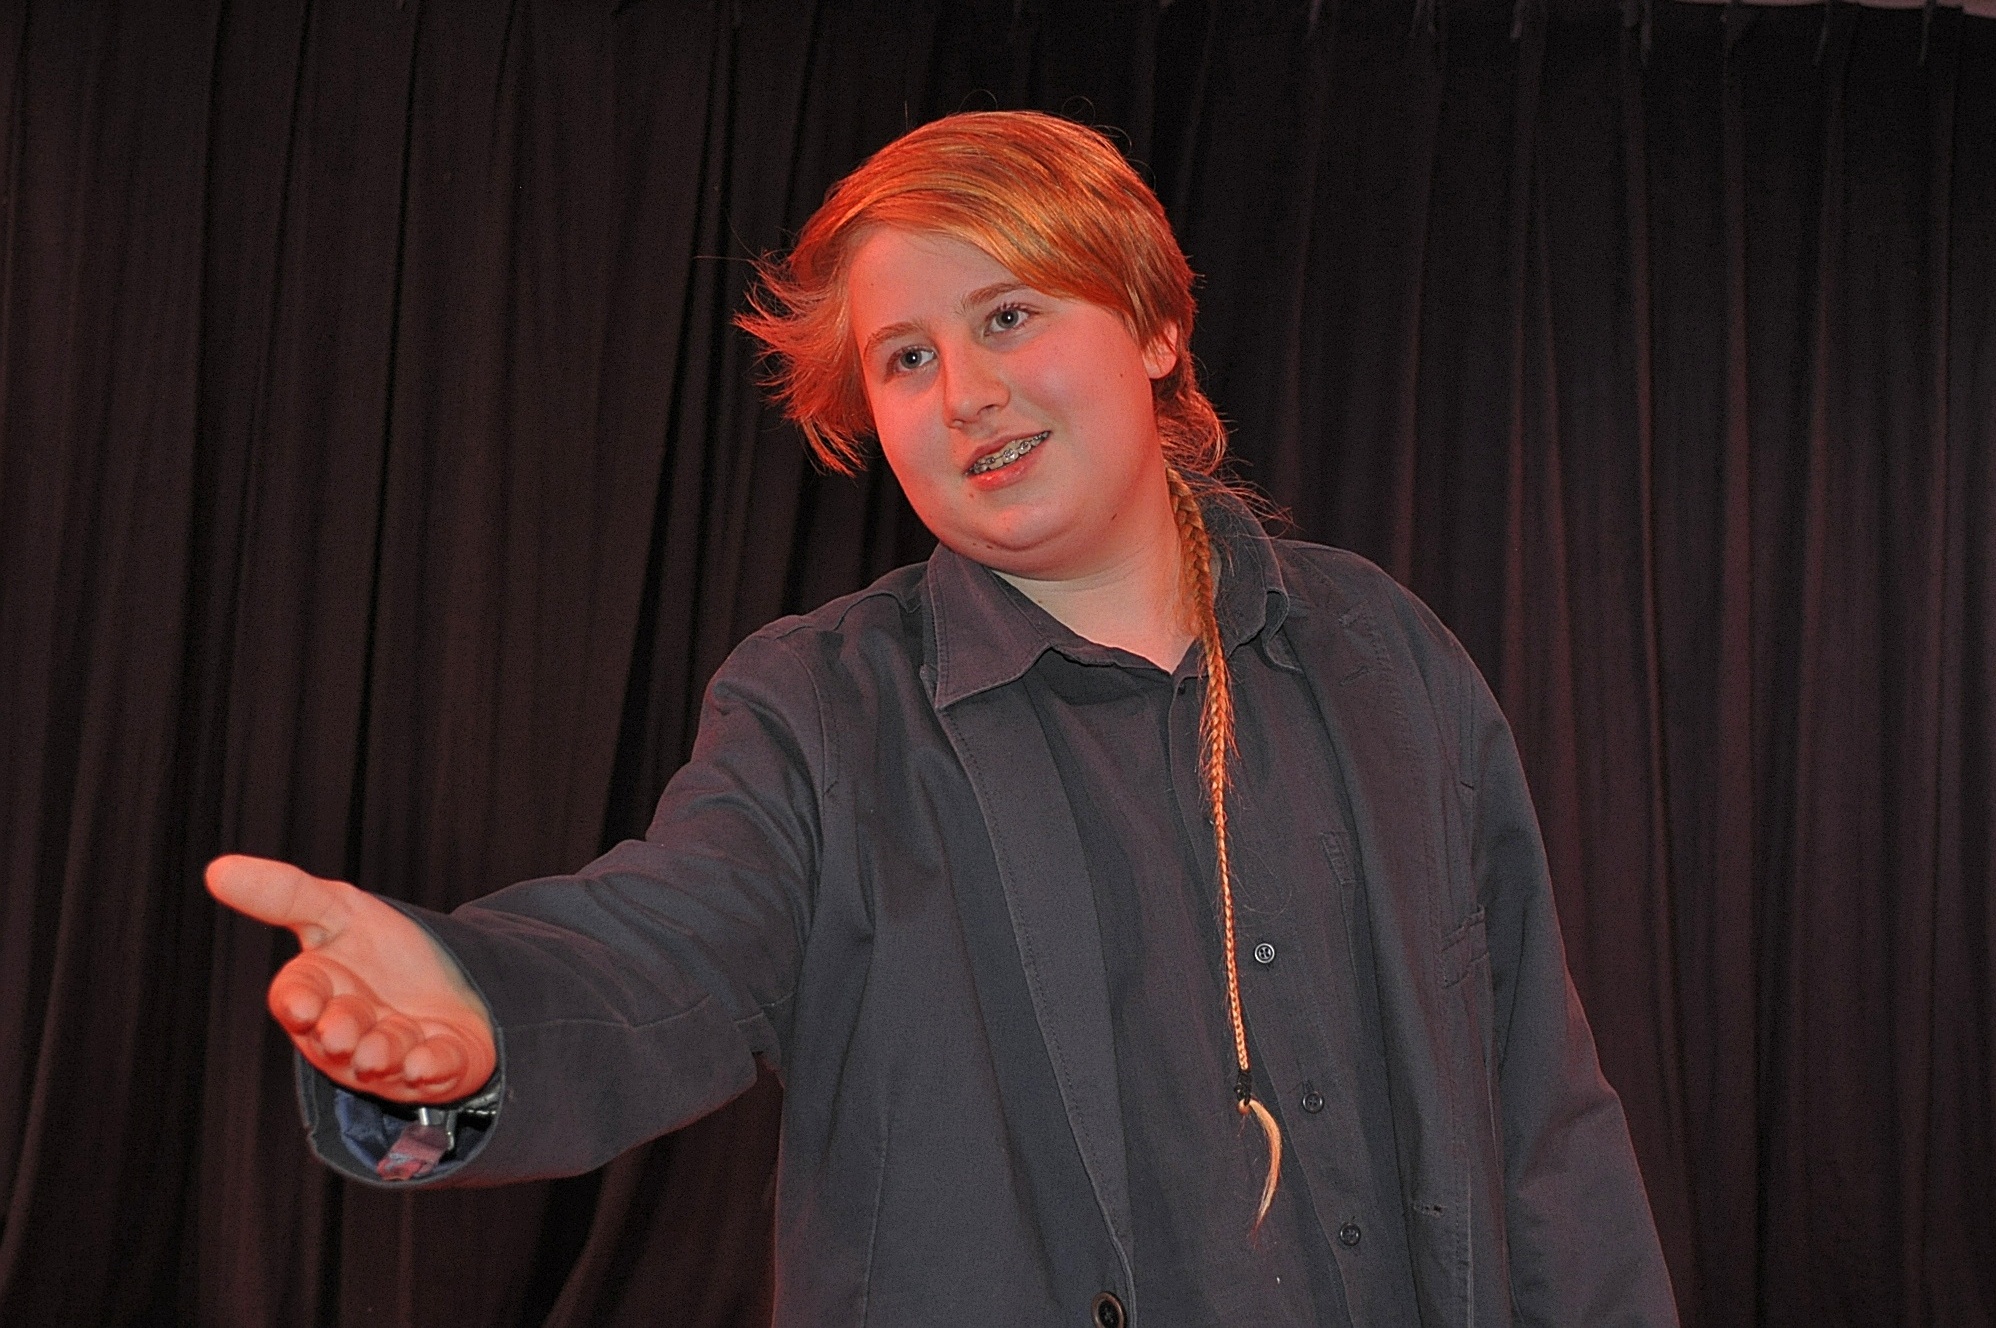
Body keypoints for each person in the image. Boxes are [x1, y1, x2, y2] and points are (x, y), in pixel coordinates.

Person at [208, 110, 1677, 1326]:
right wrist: (477, 1013)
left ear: (1156, 325)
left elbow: (1542, 1118)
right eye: (906, 357)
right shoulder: (820, 706)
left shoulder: (1382, 655)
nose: (965, 391)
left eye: (1009, 316)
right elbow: (667, 945)